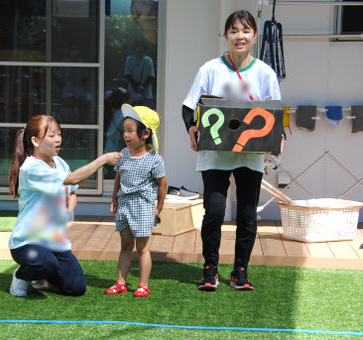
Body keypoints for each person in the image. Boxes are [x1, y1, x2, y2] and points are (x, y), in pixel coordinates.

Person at [182, 10, 282, 291]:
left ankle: (240, 271)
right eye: (234, 31)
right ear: (225, 36)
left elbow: (275, 114)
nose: (240, 36)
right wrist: (192, 128)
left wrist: (281, 136)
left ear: (255, 36)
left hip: (250, 157)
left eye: (246, 31)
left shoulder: (265, 73)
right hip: (215, 155)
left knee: (248, 214)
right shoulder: (210, 69)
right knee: (214, 211)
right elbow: (189, 107)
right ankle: (210, 269)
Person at [7, 115, 122, 297]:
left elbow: (72, 190)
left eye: (59, 134)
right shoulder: (31, 168)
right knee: (44, 263)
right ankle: (21, 275)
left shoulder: (60, 163)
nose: (58, 139)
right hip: (27, 242)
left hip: (55, 241)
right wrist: (104, 159)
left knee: (76, 288)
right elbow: (73, 179)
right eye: (51, 135)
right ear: (35, 141)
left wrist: (69, 208)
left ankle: (40, 276)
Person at [105, 104, 167, 298]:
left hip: (143, 207)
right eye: (125, 131)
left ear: (146, 134)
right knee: (125, 246)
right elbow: (118, 178)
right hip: (124, 206)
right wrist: (114, 198)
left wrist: (159, 208)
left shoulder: (155, 160)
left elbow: (163, 184)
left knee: (142, 248)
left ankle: (143, 285)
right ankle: (121, 282)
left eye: (130, 131)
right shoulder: (123, 155)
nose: (126, 135)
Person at [123, 41, 155, 107]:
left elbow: (151, 75)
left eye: (141, 48)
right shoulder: (129, 60)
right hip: (132, 92)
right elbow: (127, 74)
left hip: (146, 94)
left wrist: (143, 87)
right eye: (138, 47)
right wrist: (136, 87)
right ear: (135, 49)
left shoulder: (148, 60)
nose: (139, 49)